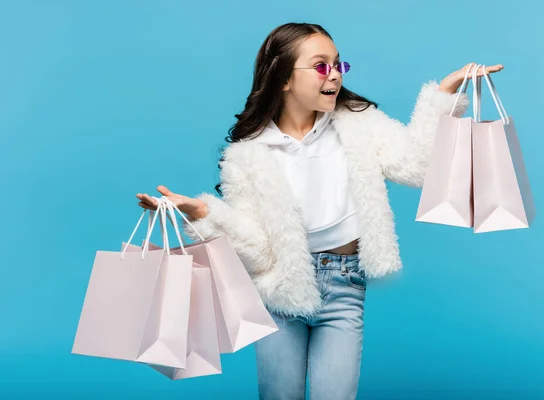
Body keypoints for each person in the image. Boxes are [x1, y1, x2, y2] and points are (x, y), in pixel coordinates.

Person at [136, 22, 503, 400]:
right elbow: (258, 251)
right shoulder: (247, 154)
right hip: (279, 291)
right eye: (320, 65)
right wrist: (201, 212)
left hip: (344, 286)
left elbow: (418, 166)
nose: (334, 75)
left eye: (338, 65)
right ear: (283, 79)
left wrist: (442, 96)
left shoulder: (358, 124)